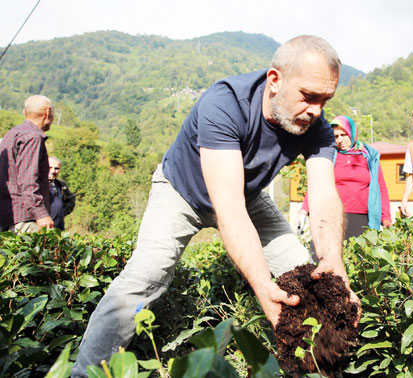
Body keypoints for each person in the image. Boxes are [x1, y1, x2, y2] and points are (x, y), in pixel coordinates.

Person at [72, 35, 359, 376]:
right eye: (308, 96)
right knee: (146, 275)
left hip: (247, 195)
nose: (316, 110)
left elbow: (325, 196)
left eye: (325, 100)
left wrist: (333, 261)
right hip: (182, 192)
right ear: (275, 80)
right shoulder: (224, 104)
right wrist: (263, 287)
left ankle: (318, 368)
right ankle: (83, 372)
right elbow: (229, 208)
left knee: (309, 276)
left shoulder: (318, 128)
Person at [300, 115, 392, 241]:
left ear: (352, 133)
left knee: (358, 257)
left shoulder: (369, 156)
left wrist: (386, 216)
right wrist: (304, 210)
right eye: (336, 136)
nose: (340, 140)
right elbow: (317, 184)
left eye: (344, 135)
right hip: (333, 215)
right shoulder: (329, 155)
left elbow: (380, 187)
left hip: (362, 216)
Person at [0, 95, 55, 232]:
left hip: (8, 214)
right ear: (47, 112)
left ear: (25, 112)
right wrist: (40, 213)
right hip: (25, 218)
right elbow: (28, 179)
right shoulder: (33, 137)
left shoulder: (13, 133)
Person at [48, 156, 76, 230]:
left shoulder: (61, 185)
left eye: (56, 168)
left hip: (59, 228)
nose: (53, 171)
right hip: (42, 228)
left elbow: (71, 199)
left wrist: (62, 212)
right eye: (50, 167)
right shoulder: (37, 185)